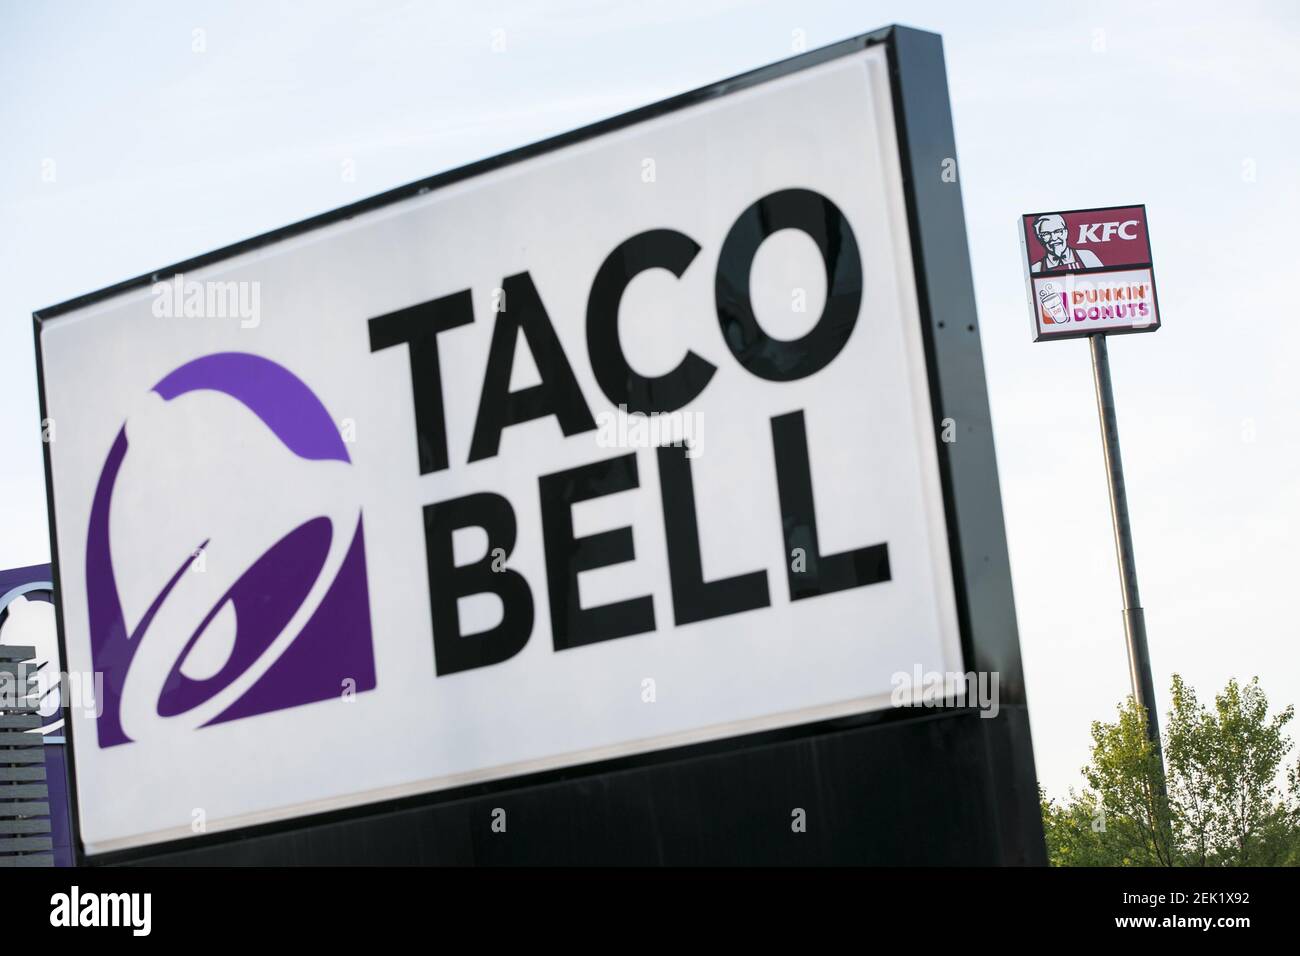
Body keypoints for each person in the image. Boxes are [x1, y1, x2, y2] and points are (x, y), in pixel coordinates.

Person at [1030, 214, 1102, 273]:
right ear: (1039, 238)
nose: (1054, 238)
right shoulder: (1036, 268)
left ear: (1066, 232)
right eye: (1046, 234)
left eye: (1058, 231)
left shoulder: (1086, 256)